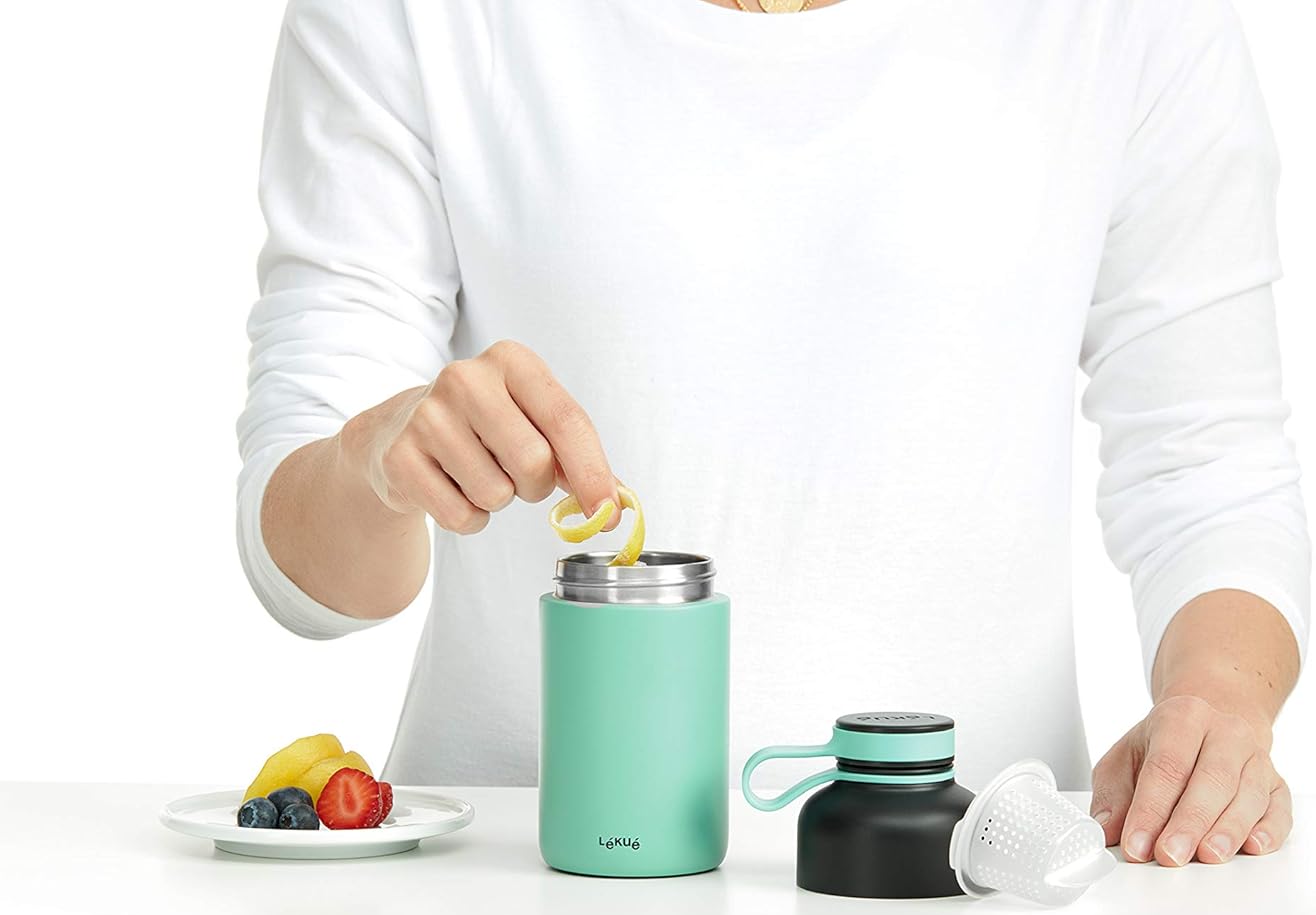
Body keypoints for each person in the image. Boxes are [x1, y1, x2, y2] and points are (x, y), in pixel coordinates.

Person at [236, 0, 1309, 867]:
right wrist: (377, 463)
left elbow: (1211, 469)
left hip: (978, 892)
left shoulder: (1134, 18)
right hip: (511, 908)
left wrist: (1215, 703)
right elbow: (308, 579)